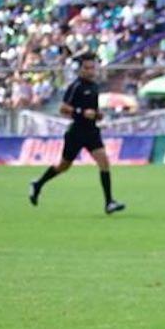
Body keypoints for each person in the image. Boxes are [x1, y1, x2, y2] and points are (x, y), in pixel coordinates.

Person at [28, 53, 125, 214]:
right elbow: (63, 108)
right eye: (87, 68)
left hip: (92, 130)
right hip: (76, 132)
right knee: (63, 166)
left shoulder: (94, 86)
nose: (91, 71)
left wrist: (97, 114)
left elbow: (92, 109)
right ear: (80, 70)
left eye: (92, 67)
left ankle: (109, 202)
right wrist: (81, 112)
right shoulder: (76, 86)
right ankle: (38, 184)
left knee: (104, 162)